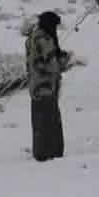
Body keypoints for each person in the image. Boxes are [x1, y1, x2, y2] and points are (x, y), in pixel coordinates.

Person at [25, 11, 72, 161]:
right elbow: (52, 65)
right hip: (46, 87)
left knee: (39, 122)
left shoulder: (32, 37)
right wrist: (65, 59)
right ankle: (49, 153)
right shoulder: (45, 39)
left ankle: (40, 151)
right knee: (49, 122)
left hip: (35, 87)